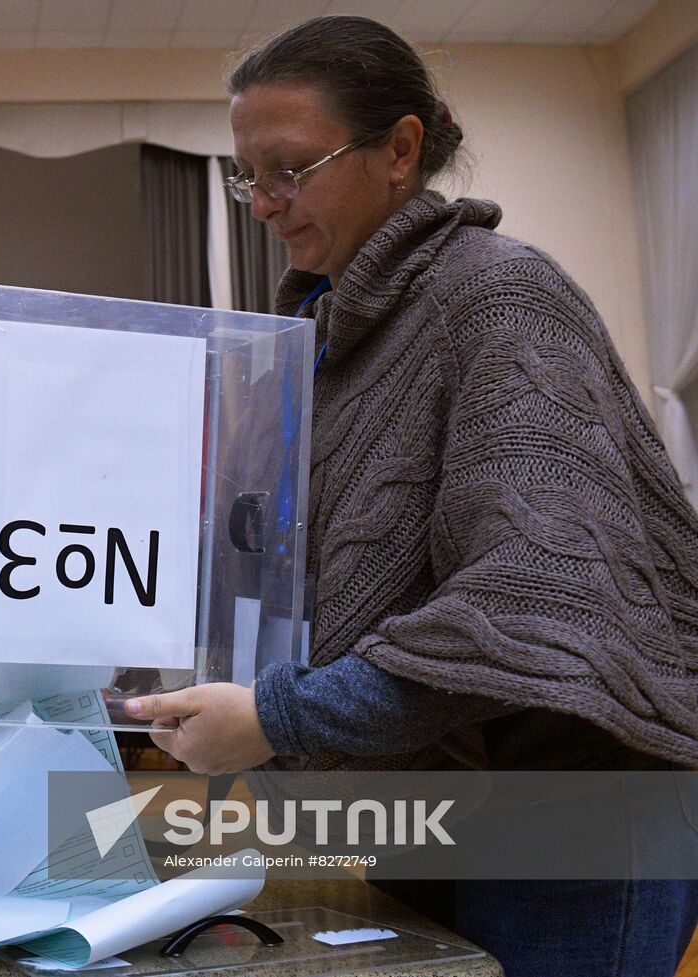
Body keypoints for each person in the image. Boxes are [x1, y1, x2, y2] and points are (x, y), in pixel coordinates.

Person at [123, 16, 698, 977]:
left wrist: (278, 716)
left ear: (401, 149)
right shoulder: (320, 335)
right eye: (246, 177)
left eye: (292, 168)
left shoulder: (501, 298)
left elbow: (531, 602)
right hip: (437, 788)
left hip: (580, 790)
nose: (264, 203)